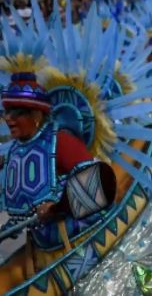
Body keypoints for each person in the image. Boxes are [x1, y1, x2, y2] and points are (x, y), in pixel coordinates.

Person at [0, 72, 116, 275]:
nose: (9, 119)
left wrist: (57, 206)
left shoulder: (60, 142)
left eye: (17, 112)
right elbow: (23, 206)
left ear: (36, 115)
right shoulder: (16, 151)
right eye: (6, 111)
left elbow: (97, 185)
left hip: (80, 246)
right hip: (44, 252)